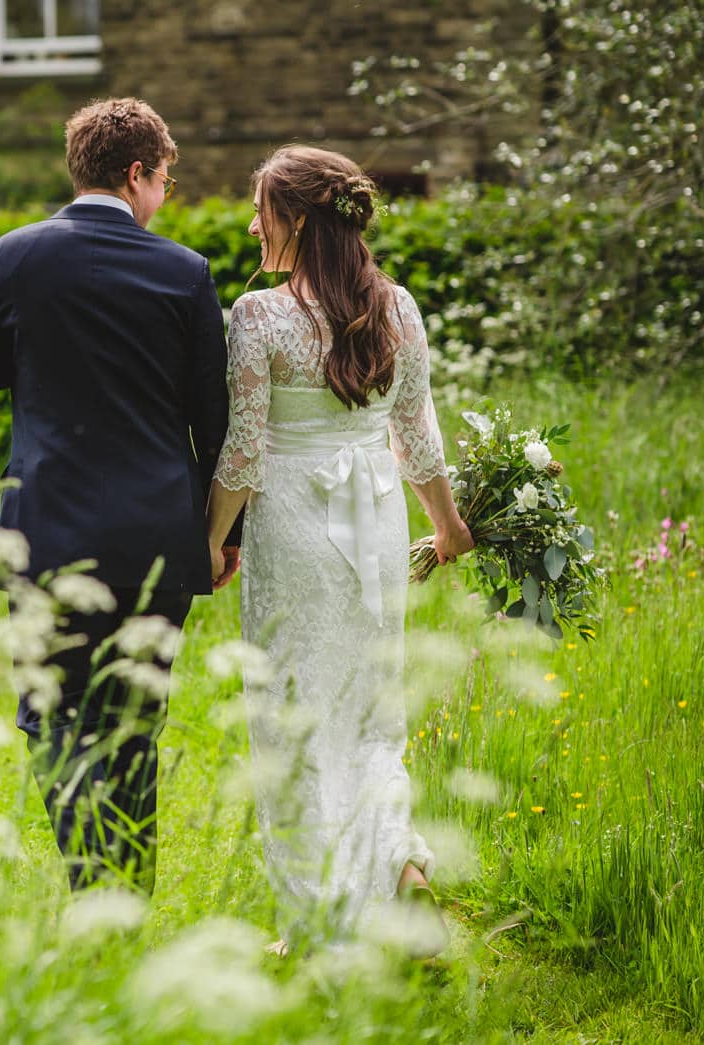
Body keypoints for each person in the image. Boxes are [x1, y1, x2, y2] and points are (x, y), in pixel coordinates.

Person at [0, 97, 235, 891]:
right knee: (136, 722)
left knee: (54, 713)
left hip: (48, 532)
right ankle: (128, 890)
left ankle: (90, 885)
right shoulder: (185, 273)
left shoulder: (9, 257)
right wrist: (223, 537)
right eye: (165, 180)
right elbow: (218, 422)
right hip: (157, 540)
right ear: (136, 172)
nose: (164, 197)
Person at [203, 144, 474, 952]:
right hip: (380, 527)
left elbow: (244, 455)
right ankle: (399, 866)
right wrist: (450, 523)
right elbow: (417, 436)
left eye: (262, 211)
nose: (253, 225)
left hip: (294, 529)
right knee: (369, 715)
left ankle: (318, 924)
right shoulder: (399, 306)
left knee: (292, 721)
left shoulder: (257, 316)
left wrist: (207, 544)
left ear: (295, 219)